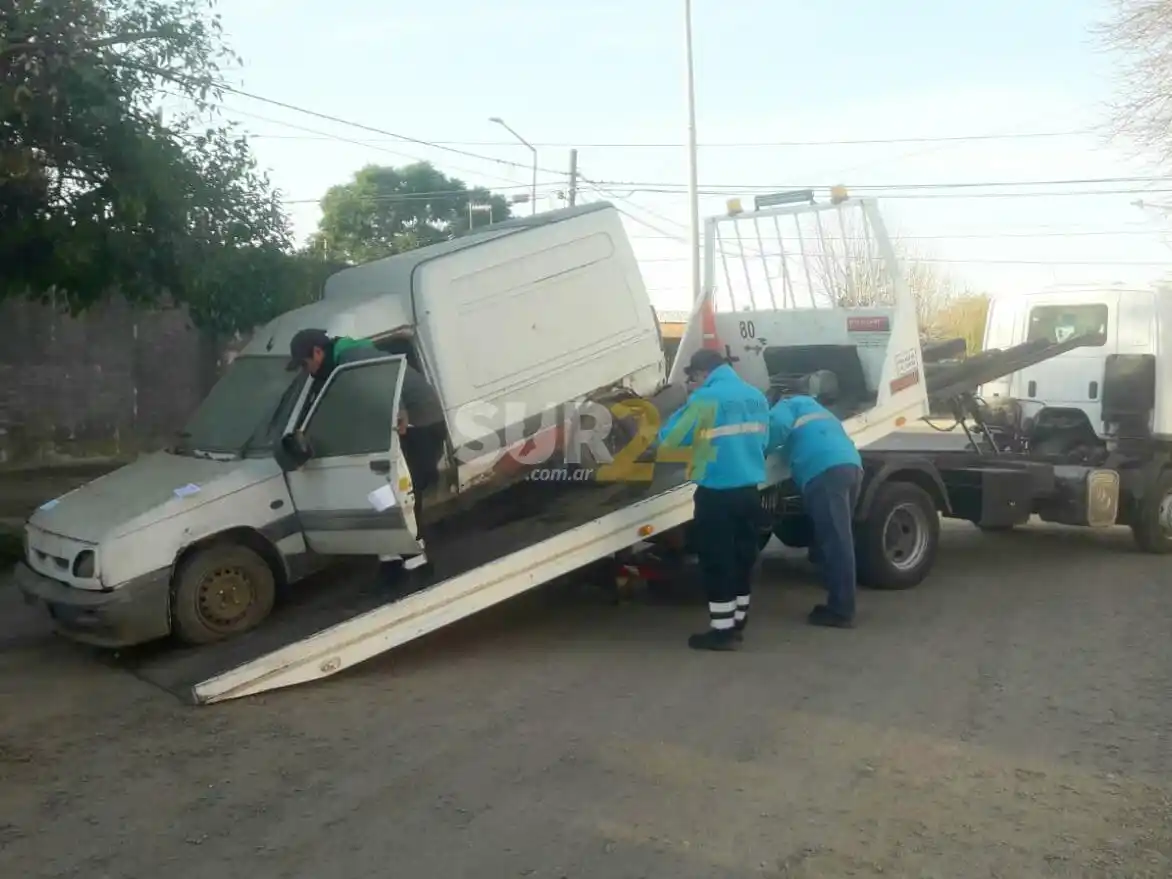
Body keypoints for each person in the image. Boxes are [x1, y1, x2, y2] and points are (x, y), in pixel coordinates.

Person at [288, 328, 447, 574]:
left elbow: (382, 384)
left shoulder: (353, 358)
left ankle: (417, 562)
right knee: (380, 493)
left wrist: (399, 412)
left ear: (318, 352)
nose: (305, 370)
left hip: (421, 424)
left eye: (305, 363)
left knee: (401, 492)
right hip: (395, 426)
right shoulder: (334, 368)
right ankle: (393, 555)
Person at [656, 348, 770, 651]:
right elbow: (765, 440)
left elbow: (668, 440)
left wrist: (685, 406)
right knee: (743, 557)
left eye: (693, 377)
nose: (694, 382)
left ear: (702, 373)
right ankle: (738, 621)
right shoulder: (756, 396)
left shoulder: (705, 399)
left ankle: (722, 632)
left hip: (716, 494)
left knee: (717, 560)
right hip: (748, 491)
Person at [767, 394, 863, 628]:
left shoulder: (787, 404)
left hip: (824, 471)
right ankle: (837, 593)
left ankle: (841, 610)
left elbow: (776, 425)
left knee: (836, 541)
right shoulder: (818, 409)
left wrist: (761, 449)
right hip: (851, 467)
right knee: (838, 537)